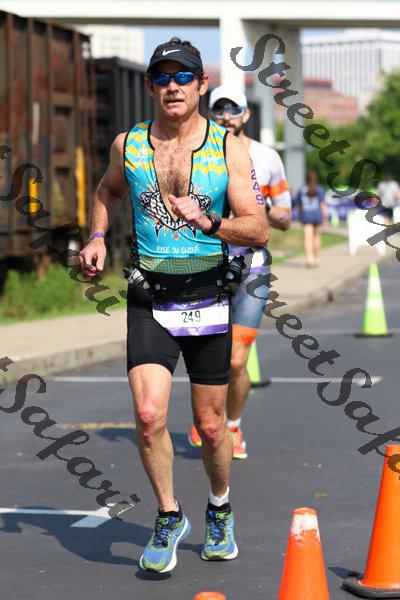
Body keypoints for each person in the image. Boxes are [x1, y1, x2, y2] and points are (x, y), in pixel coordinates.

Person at [79, 38, 268, 573]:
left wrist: (208, 221)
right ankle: (168, 514)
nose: (172, 86)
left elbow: (256, 228)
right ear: (150, 87)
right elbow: (107, 192)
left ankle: (219, 507)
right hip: (149, 297)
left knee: (210, 426)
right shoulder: (129, 144)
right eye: (162, 77)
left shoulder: (227, 147)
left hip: (208, 297)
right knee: (148, 415)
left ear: (201, 84)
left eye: (183, 76)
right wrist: (97, 236)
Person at [188, 85, 291, 459]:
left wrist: (266, 211)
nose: (226, 117)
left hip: (251, 266)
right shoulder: (196, 153)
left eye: (234, 110)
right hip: (205, 262)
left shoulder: (266, 157)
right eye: (219, 110)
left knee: (235, 360)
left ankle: (232, 424)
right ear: (210, 114)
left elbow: (286, 214)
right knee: (204, 353)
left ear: (246, 115)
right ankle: (208, 416)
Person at [293, 172, 328, 268]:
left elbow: (298, 205)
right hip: (317, 215)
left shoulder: (301, 190)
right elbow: (323, 205)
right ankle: (317, 259)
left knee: (308, 238)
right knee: (316, 237)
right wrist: (325, 218)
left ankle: (310, 259)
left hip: (306, 216)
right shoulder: (319, 189)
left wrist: (299, 216)